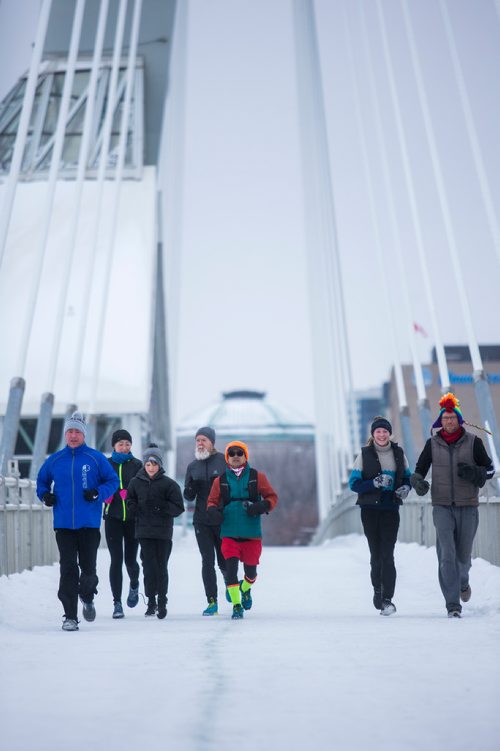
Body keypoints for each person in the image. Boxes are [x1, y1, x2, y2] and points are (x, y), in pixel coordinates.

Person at [410, 393, 494, 618]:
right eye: (445, 418)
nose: (449, 421)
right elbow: (419, 470)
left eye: (452, 418)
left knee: (463, 557)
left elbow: (491, 469)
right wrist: (417, 482)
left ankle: (463, 582)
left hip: (468, 506)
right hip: (442, 506)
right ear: (440, 421)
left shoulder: (474, 442)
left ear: (459, 420)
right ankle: (452, 605)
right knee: (447, 555)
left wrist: (475, 472)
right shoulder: (432, 444)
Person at [36, 412, 119, 631]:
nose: (73, 436)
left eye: (77, 432)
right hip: (63, 523)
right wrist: (45, 496)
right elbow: (41, 482)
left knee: (88, 570)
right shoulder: (55, 460)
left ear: (84, 435)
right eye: (70, 432)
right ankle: (70, 616)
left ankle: (87, 596)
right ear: (66, 434)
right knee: (68, 568)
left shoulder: (95, 458)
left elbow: (113, 480)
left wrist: (97, 493)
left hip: (89, 523)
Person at [207, 440, 278, 619]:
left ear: (245, 456)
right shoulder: (220, 481)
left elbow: (272, 497)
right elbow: (211, 502)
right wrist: (213, 512)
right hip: (229, 532)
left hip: (251, 533)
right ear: (227, 458)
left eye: (240, 453)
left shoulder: (257, 476)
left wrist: (261, 506)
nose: (236, 456)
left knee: (251, 573)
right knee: (230, 570)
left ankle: (245, 588)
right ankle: (237, 605)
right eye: (232, 453)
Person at [349, 416, 411, 616]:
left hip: (390, 508)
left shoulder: (399, 454)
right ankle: (378, 589)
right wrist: (374, 483)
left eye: (385, 431)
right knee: (376, 555)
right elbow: (354, 484)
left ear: (389, 433)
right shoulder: (364, 455)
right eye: (378, 432)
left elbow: (408, 478)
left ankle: (387, 599)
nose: (382, 435)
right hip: (369, 510)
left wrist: (405, 488)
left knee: (388, 554)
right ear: (373, 434)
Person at [126, 444, 184, 619]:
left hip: (163, 533)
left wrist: (162, 507)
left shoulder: (170, 485)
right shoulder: (135, 483)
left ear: (160, 465)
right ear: (144, 465)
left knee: (161, 567)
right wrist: (133, 507)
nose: (151, 467)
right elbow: (129, 500)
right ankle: (151, 601)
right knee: (148, 567)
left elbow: (178, 507)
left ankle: (162, 601)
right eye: (148, 464)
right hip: (144, 532)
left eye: (154, 464)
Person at [183, 426, 227, 615]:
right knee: (207, 561)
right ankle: (212, 601)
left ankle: (229, 582)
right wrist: (191, 488)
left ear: (212, 443)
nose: (200, 444)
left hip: (221, 519)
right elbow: (188, 496)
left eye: (204, 440)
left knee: (224, 560)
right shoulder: (193, 466)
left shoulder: (223, 461)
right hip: (201, 521)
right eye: (198, 440)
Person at [104, 429, 142, 619]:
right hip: (113, 518)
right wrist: (107, 495)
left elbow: (145, 487)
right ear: (114, 446)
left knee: (130, 560)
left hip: (133, 519)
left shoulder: (137, 464)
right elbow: (99, 484)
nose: (125, 447)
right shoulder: (106, 464)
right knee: (116, 560)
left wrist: (131, 493)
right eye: (121, 444)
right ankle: (117, 603)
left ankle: (134, 583)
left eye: (128, 444)